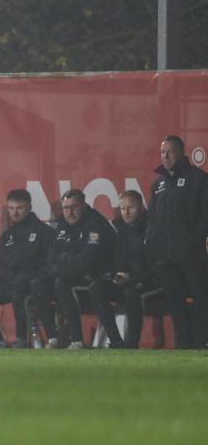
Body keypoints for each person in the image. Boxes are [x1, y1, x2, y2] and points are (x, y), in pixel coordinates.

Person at [28, 189, 115, 349]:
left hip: (92, 280)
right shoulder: (62, 225)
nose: (70, 212)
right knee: (38, 284)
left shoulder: (95, 224)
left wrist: (64, 262)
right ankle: (53, 339)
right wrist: (66, 262)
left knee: (62, 283)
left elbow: (87, 260)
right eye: (66, 208)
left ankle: (77, 340)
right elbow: (52, 257)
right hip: (67, 274)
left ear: (83, 205)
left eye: (74, 207)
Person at [0, 189, 55, 348]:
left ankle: (20, 338)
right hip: (7, 282)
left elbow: (48, 265)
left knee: (18, 294)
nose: (15, 213)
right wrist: (8, 275)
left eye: (19, 208)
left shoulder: (44, 232)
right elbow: (0, 264)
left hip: (29, 283)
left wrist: (25, 275)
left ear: (29, 207)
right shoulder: (7, 235)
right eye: (11, 208)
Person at [145, 135, 208, 349]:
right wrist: (154, 243)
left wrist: (194, 242)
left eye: (170, 151)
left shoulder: (199, 178)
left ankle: (202, 343)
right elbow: (152, 218)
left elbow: (205, 216)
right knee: (175, 303)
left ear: (181, 153)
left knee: (201, 300)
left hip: (192, 255)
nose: (166, 156)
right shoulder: (158, 184)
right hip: (165, 257)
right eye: (163, 152)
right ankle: (183, 344)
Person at [88, 190, 159, 349]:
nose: (126, 212)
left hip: (149, 282)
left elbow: (154, 263)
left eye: (130, 207)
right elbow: (117, 261)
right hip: (126, 280)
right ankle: (116, 341)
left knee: (130, 291)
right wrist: (116, 275)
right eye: (122, 208)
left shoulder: (152, 227)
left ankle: (132, 343)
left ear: (141, 207)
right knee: (96, 287)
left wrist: (132, 276)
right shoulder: (118, 228)